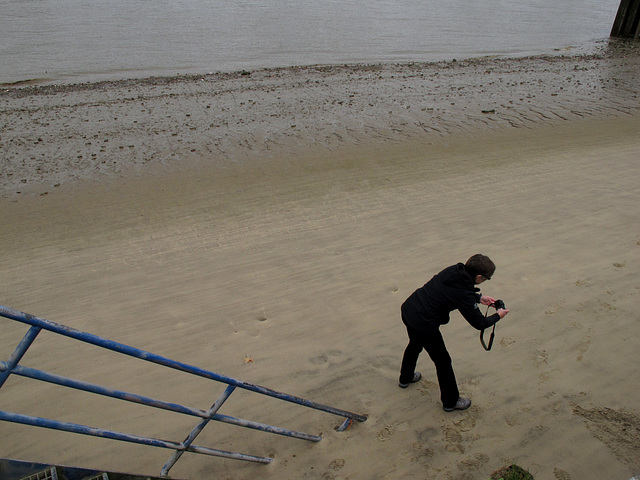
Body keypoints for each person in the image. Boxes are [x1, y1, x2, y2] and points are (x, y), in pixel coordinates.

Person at [398, 254, 509, 412]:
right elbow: (480, 323)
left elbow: (454, 292)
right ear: (478, 277)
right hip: (424, 322)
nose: (484, 280)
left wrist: (478, 298)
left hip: (410, 308)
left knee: (415, 344)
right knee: (443, 361)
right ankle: (450, 401)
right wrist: (498, 315)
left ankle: (405, 377)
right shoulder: (463, 294)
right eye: (485, 279)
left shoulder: (454, 270)